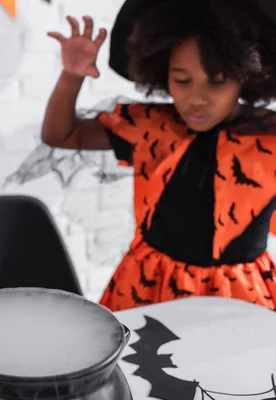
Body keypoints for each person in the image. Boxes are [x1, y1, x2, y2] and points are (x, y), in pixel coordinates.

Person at [42, 0, 276, 312]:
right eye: (181, 79)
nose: (196, 99)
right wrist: (72, 76)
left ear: (247, 75)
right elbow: (61, 134)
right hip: (149, 287)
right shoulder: (150, 126)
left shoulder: (270, 138)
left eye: (217, 82)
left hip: (241, 295)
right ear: (162, 72)